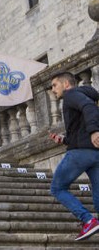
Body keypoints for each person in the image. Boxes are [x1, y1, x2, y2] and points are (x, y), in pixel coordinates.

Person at [49, 72, 99, 241]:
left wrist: (94, 131)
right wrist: (64, 139)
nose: (53, 90)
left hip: (80, 152)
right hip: (94, 152)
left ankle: (88, 220)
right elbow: (81, 127)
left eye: (55, 85)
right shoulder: (83, 95)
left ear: (66, 84)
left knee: (57, 188)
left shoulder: (71, 95)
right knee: (97, 190)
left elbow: (89, 108)